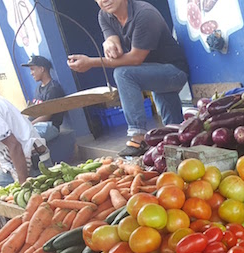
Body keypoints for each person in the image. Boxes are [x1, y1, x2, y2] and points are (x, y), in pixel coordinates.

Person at [67, 0, 189, 157]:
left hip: (173, 72)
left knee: (123, 73)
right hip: (153, 73)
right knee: (175, 132)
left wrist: (91, 62)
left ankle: (138, 137)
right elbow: (112, 40)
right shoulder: (105, 15)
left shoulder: (144, 14)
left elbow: (135, 58)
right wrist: (109, 44)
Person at [22, 55, 65, 142]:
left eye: (33, 69)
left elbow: (46, 116)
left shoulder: (53, 88)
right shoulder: (38, 88)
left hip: (49, 126)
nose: (31, 73)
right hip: (36, 125)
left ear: (42, 69)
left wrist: (28, 126)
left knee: (26, 140)